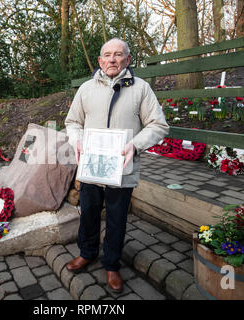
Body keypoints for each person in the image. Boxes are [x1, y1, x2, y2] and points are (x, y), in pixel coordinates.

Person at [64, 38, 169, 293]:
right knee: (88, 212)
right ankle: (87, 252)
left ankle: (111, 264)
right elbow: (72, 122)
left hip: (122, 168)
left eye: (118, 55)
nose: (112, 59)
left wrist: (135, 145)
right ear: (100, 61)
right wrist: (77, 141)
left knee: (117, 218)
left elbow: (159, 125)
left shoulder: (141, 89)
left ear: (128, 60)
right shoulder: (86, 89)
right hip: (91, 167)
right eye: (107, 55)